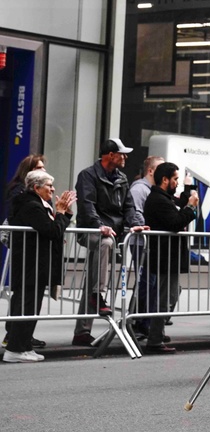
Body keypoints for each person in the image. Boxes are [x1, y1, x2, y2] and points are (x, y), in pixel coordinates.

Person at [73, 138, 146, 347]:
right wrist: (99, 226)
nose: (125, 157)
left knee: (95, 275)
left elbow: (129, 207)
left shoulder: (122, 178)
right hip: (92, 230)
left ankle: (81, 331)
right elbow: (87, 206)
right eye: (122, 153)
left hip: (115, 233)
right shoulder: (87, 175)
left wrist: (137, 223)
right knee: (105, 244)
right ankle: (99, 295)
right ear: (110, 155)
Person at [3, 170, 74, 362]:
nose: (52, 189)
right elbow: (51, 230)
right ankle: (15, 349)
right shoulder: (30, 206)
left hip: (35, 265)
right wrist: (60, 213)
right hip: (29, 265)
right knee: (25, 306)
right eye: (48, 186)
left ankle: (24, 346)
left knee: (32, 307)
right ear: (36, 188)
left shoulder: (38, 205)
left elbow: (55, 229)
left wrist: (64, 214)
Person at [141, 162, 199, 354]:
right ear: (164, 180)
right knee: (165, 298)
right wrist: (190, 208)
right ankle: (154, 339)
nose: (177, 183)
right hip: (164, 257)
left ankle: (157, 333)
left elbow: (178, 205)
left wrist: (189, 189)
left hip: (168, 257)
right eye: (175, 179)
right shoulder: (157, 200)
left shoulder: (163, 198)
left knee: (170, 295)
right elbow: (175, 221)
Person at [128, 155, 164, 338]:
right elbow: (136, 213)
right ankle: (139, 322)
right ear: (150, 170)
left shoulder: (153, 189)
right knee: (147, 281)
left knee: (152, 282)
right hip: (141, 242)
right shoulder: (139, 189)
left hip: (150, 242)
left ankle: (144, 320)